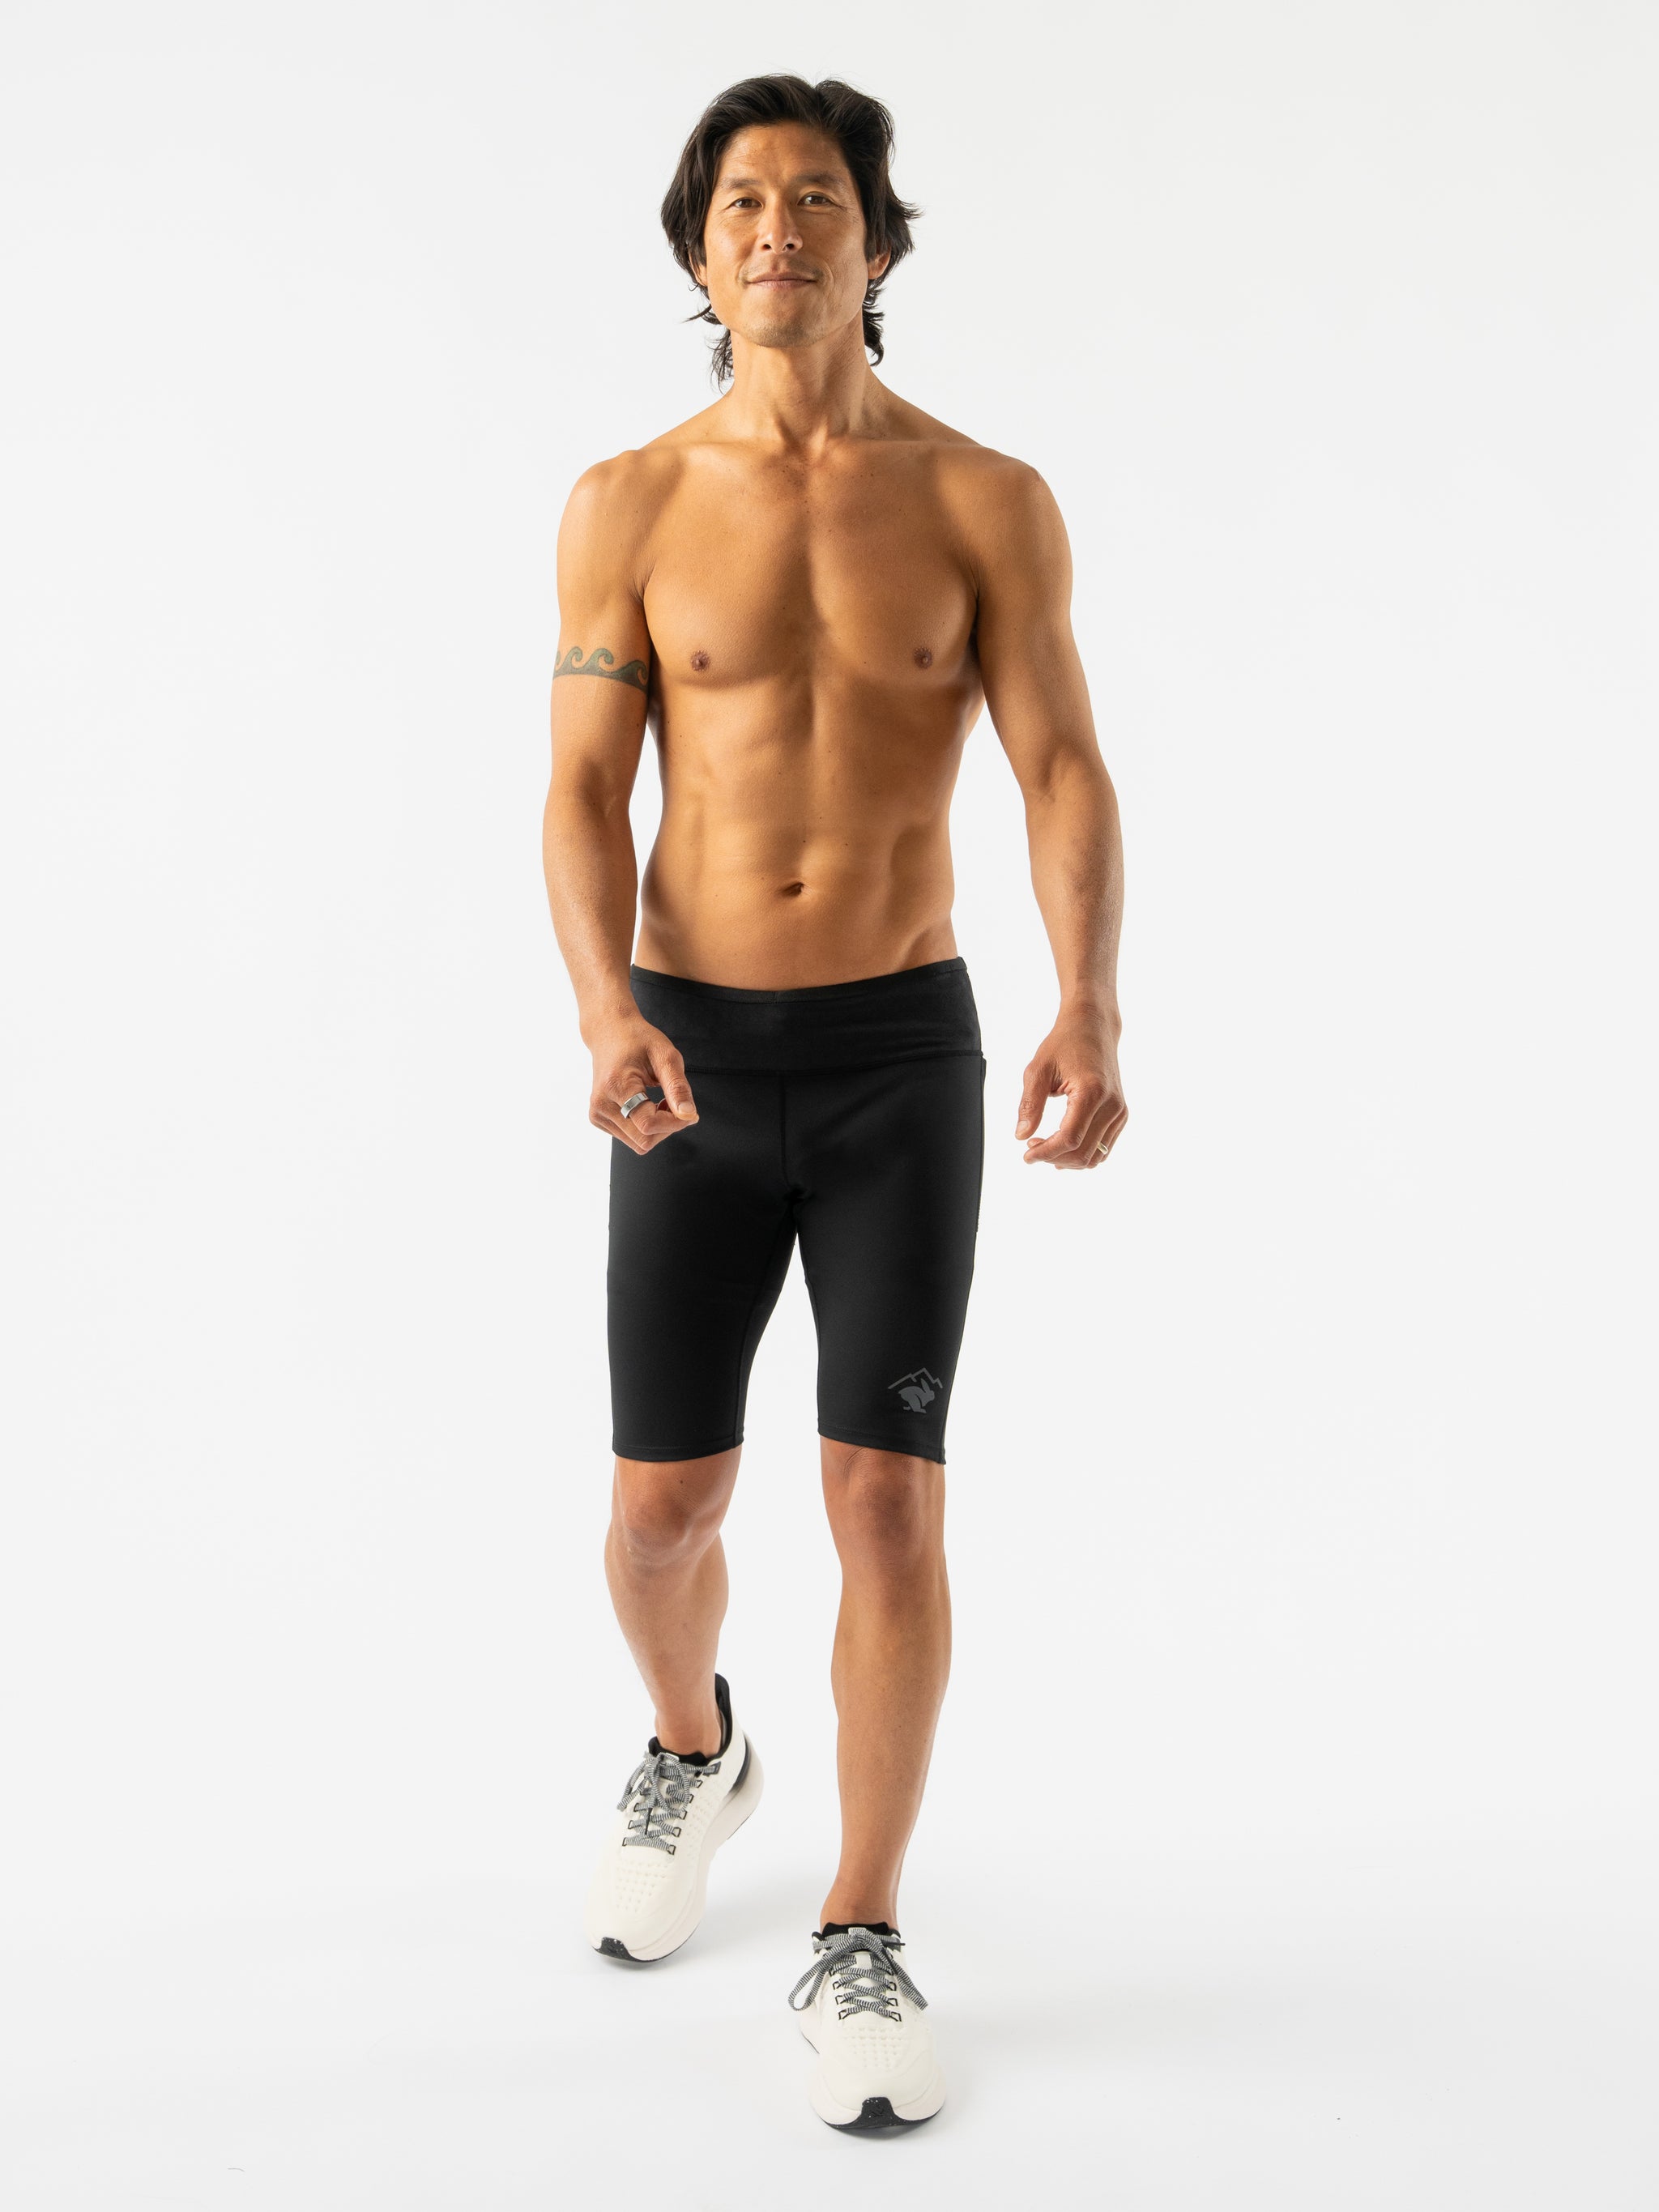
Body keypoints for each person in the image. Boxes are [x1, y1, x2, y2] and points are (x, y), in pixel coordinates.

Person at [542, 72, 1126, 2133]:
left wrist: (1088, 1000)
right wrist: (602, 1006)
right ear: (699, 254)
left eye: (815, 198)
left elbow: (1059, 764)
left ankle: (858, 1925)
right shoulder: (625, 502)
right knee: (661, 1515)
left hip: (898, 1063)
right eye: (741, 205)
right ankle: (694, 1745)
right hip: (688, 1061)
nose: (777, 229)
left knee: (885, 1500)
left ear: (877, 241)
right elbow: (579, 789)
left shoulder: (985, 499)